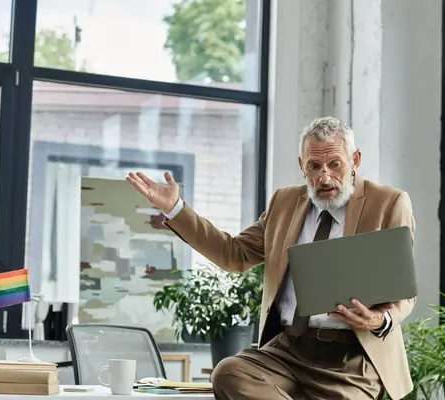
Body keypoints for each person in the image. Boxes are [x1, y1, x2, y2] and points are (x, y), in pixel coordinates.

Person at [127, 116, 416, 400]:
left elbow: (402, 288)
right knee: (229, 372)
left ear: (355, 160)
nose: (324, 177)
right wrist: (175, 209)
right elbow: (234, 255)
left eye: (335, 164)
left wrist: (380, 320)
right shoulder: (284, 202)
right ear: (302, 165)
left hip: (350, 360)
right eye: (314, 166)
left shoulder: (388, 203)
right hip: (287, 351)